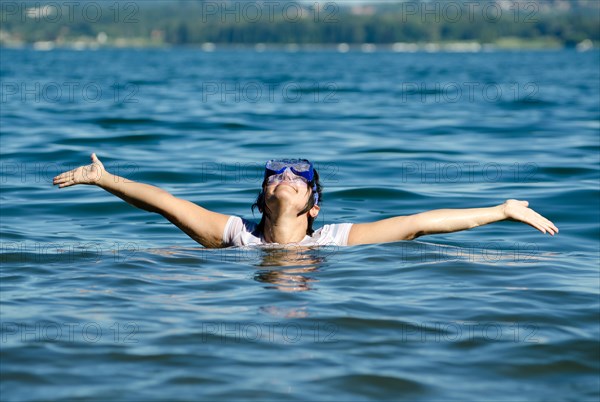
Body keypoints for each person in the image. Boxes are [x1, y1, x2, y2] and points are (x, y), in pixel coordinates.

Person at [53, 154, 558, 248]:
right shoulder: (235, 237)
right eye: (276, 174)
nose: (287, 176)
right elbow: (165, 201)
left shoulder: (333, 240)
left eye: (300, 176)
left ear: (314, 205)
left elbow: (418, 223)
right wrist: (104, 179)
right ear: (262, 198)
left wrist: (500, 211)